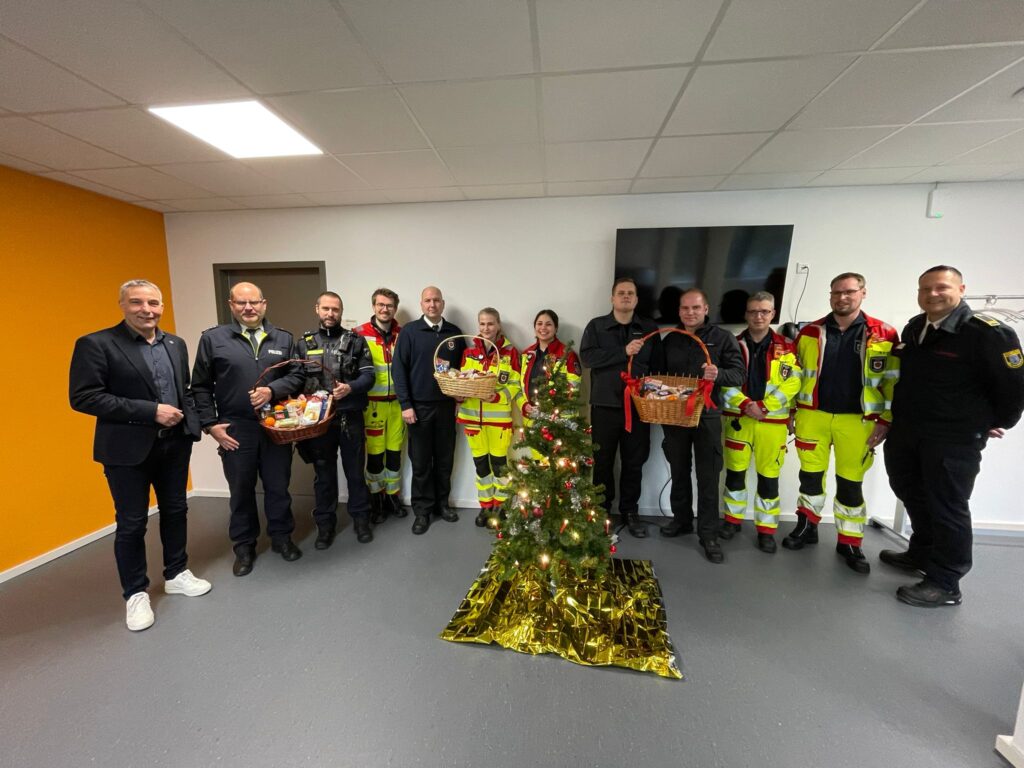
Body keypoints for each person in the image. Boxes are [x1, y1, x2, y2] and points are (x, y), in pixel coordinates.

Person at [70, 280, 211, 631]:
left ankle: (176, 572)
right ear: (122, 305)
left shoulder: (175, 344)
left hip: (174, 444)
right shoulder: (97, 344)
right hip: (126, 450)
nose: (147, 309)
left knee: (176, 509)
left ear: (162, 306)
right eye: (137, 302)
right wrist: (150, 411)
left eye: (153, 302)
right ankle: (135, 593)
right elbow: (84, 397)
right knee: (132, 523)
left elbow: (186, 391)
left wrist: (192, 427)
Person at [882, 266, 1024, 607]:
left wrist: (986, 422)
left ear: (961, 288)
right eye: (925, 288)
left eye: (941, 287)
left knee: (947, 505)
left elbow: (1015, 388)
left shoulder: (989, 334)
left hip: (953, 437)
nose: (932, 294)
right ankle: (922, 552)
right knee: (909, 491)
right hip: (909, 429)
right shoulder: (916, 327)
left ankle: (946, 581)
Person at [782, 272, 898, 574]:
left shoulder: (884, 333)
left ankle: (849, 541)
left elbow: (893, 382)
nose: (842, 298)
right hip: (813, 416)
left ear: (863, 292)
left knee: (850, 484)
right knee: (810, 478)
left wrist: (885, 420)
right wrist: (790, 412)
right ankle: (807, 527)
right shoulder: (809, 332)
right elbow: (793, 378)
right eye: (836, 293)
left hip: (857, 422)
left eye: (849, 292)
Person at [191, 281, 305, 577]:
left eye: (253, 302)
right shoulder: (213, 339)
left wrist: (272, 390)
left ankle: (282, 537)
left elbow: (297, 376)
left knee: (278, 487)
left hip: (276, 424)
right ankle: (244, 546)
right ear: (232, 306)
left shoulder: (283, 337)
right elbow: (200, 387)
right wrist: (210, 425)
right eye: (241, 303)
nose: (248, 308)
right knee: (240, 490)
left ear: (264, 304)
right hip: (235, 428)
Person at [657, 288, 745, 563]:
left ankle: (708, 533)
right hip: (676, 416)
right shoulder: (670, 339)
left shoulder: (723, 338)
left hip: (707, 416)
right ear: (679, 311)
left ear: (706, 309)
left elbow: (739, 374)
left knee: (708, 476)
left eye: (696, 308)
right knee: (679, 470)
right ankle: (681, 520)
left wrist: (719, 373)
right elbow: (658, 374)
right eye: (685, 308)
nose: (690, 313)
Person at [719, 292, 802, 554]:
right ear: (745, 314)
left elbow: (793, 383)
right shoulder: (732, 343)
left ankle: (766, 530)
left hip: (772, 423)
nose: (758, 316)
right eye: (753, 311)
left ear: (773, 314)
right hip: (738, 420)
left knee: (769, 478)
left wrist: (764, 407)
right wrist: (746, 405)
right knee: (734, 474)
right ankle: (732, 522)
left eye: (764, 311)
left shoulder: (788, 346)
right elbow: (722, 381)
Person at [580, 277, 660, 538]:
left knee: (634, 463)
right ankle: (601, 511)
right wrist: (623, 351)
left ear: (637, 300)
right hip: (605, 406)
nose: (626, 297)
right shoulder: (596, 326)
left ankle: (630, 511)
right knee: (602, 462)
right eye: (621, 293)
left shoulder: (649, 328)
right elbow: (588, 358)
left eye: (631, 293)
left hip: (639, 408)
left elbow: (657, 366)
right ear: (612, 299)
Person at [295, 291, 375, 548]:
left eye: (335, 310)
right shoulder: (303, 343)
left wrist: (350, 388)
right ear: (316, 309)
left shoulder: (355, 341)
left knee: (355, 473)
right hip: (319, 422)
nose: (331, 314)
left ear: (341, 312)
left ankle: (361, 520)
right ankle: (325, 526)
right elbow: (295, 379)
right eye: (326, 309)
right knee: (324, 476)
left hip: (349, 417)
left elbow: (369, 376)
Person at [392, 286, 466, 534]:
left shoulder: (454, 334)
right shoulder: (410, 332)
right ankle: (422, 512)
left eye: (436, 300)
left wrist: (460, 399)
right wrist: (406, 405)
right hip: (418, 409)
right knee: (421, 463)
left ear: (442, 304)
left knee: (445, 460)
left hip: (446, 408)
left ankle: (442, 505)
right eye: (427, 301)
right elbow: (399, 370)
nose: (432, 304)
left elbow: (463, 371)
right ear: (421, 304)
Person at [457, 308, 523, 527]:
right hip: (472, 419)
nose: (486, 328)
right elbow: (462, 382)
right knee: (481, 466)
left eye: (491, 324)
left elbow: (516, 385)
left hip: (499, 421)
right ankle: (485, 506)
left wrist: (498, 396)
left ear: (498, 325)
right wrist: (459, 393)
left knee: (499, 466)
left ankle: (501, 505)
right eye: (482, 324)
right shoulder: (468, 353)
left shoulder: (511, 352)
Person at [354, 288, 407, 523]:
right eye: (381, 305)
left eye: (389, 305)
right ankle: (376, 499)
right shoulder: (358, 334)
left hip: (398, 404)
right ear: (374, 306)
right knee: (375, 455)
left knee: (395, 454)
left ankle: (393, 497)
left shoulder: (403, 334)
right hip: (372, 405)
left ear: (395, 308)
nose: (385, 309)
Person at [521, 309, 582, 425]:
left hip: (559, 422)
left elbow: (574, 389)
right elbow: (520, 387)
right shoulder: (526, 354)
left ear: (556, 328)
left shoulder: (567, 354)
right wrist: (524, 405)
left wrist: (551, 409)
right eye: (539, 324)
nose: (543, 328)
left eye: (548, 324)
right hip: (532, 420)